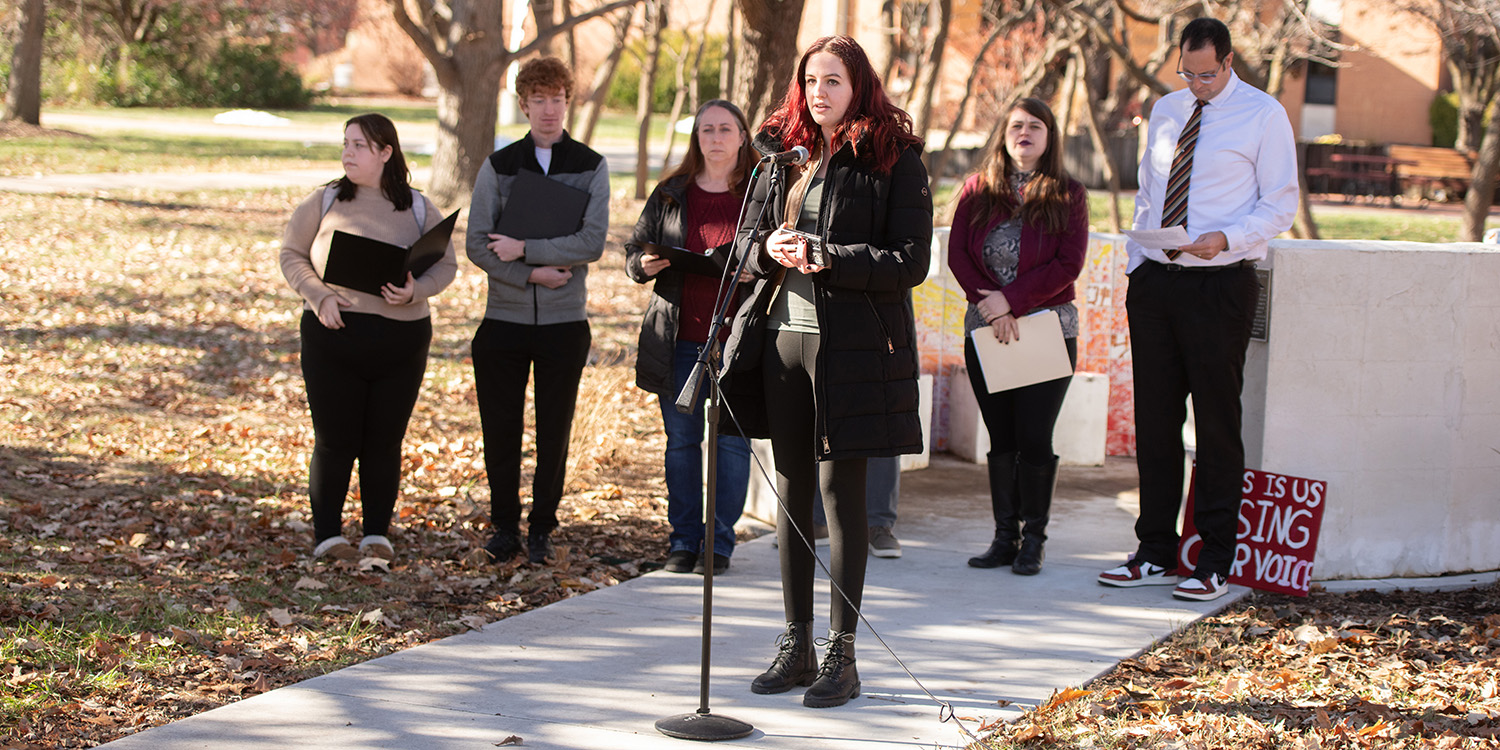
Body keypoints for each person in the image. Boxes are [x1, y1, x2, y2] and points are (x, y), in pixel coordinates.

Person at [720, 35, 931, 708]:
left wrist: (831, 256)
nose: (819, 91)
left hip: (856, 353)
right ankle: (797, 642)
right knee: (791, 499)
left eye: (833, 80)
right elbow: (745, 244)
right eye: (811, 78)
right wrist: (770, 246)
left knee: (842, 500)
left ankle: (843, 652)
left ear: (859, 85)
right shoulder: (784, 155)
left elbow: (910, 261)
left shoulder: (896, 158)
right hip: (784, 341)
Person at [1098, 18, 1297, 601]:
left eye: (1207, 74)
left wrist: (1227, 239)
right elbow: (1149, 191)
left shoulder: (1264, 115)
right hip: (1156, 283)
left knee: (1215, 423)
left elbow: (1279, 203)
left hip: (1220, 285)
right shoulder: (1166, 109)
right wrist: (1140, 257)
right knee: (1156, 421)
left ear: (1229, 61)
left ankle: (1214, 559)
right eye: (1187, 73)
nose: (1197, 83)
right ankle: (1154, 549)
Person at [279, 113, 457, 562]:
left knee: (383, 441)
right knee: (335, 440)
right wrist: (318, 296)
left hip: (403, 343)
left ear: (385, 153)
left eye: (359, 145)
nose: (348, 153)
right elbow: (291, 255)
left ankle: (376, 533)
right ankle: (328, 537)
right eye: (346, 144)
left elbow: (446, 265)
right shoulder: (324, 201)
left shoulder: (417, 207)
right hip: (332, 339)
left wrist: (417, 289)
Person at [466, 57, 611, 566]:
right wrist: (532, 272)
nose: (550, 110)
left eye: (558, 99)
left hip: (563, 325)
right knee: (500, 428)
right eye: (539, 100)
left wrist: (525, 246)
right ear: (524, 105)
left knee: (555, 430)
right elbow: (478, 246)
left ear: (568, 102)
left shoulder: (590, 164)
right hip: (502, 322)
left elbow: (591, 241)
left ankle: (542, 528)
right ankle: (504, 525)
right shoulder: (499, 166)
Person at [948, 97, 1088, 577]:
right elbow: (958, 257)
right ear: (1003, 135)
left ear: (1049, 137)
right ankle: (1004, 538)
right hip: (987, 332)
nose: (1024, 132)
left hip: (1048, 330)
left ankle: (1034, 541)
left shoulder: (1069, 194)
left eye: (1035, 126)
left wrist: (1012, 301)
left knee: (1034, 436)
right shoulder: (976, 189)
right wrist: (991, 305)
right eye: (1015, 125)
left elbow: (1068, 264)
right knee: (1002, 436)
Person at [625, 99, 758, 577]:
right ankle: (682, 540)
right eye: (707, 130)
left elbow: (777, 256)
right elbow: (634, 250)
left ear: (743, 136)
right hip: (678, 338)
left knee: (731, 445)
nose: (716, 138)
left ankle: (717, 544)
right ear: (696, 138)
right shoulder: (670, 193)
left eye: (726, 129)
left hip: (738, 342)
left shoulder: (760, 193)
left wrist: (756, 270)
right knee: (681, 443)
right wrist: (641, 265)